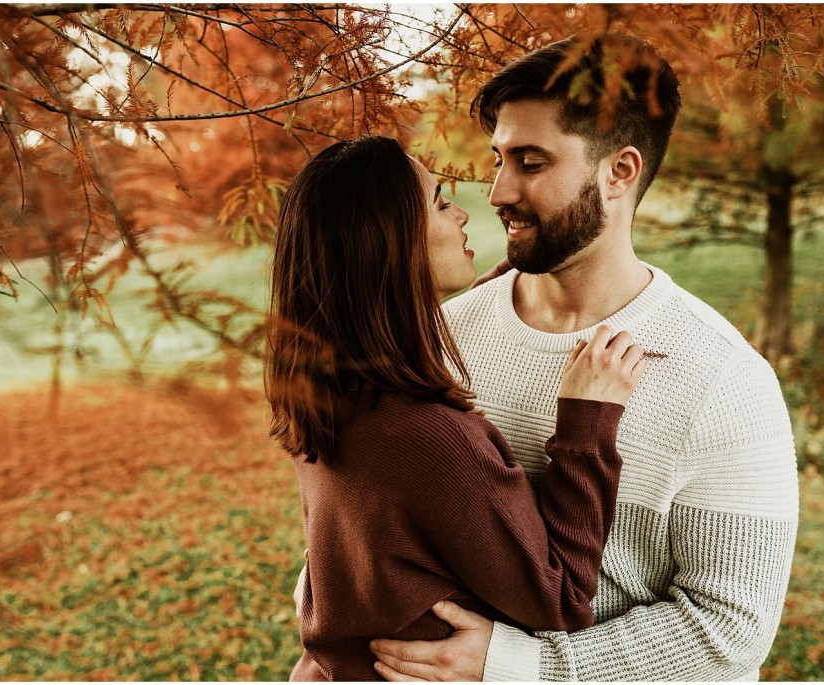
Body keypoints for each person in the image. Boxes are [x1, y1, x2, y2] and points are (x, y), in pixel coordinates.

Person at [368, 34, 799, 681]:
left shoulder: (723, 378)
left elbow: (729, 627)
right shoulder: (443, 336)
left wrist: (520, 664)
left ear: (619, 172)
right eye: (498, 159)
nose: (497, 191)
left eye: (531, 162)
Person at [266, 134, 647, 681]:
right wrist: (587, 423)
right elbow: (560, 598)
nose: (466, 213)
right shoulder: (430, 439)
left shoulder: (329, 395)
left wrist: (513, 274)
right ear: (392, 244)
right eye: (441, 203)